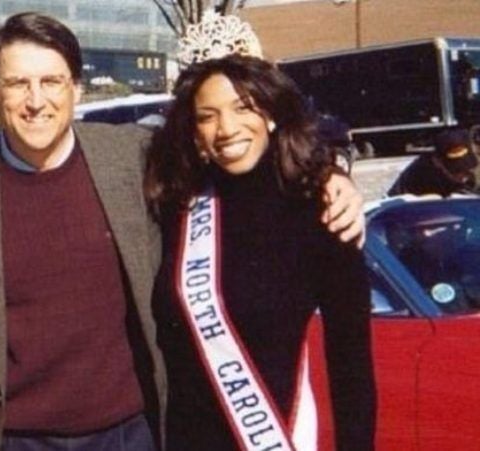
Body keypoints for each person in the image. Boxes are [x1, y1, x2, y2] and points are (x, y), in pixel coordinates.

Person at [0, 12, 367, 450]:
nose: (36, 101)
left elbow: (238, 165)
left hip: (133, 431)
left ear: (76, 90)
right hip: (15, 435)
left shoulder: (137, 159)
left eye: (52, 82)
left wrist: (331, 178)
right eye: (17, 84)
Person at [144, 15, 376, 450]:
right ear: (193, 129)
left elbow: (351, 367)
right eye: (207, 116)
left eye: (243, 107)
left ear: (269, 110)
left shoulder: (320, 210)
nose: (227, 129)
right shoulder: (177, 204)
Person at [387, 128, 479, 197]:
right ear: (437, 162)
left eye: (467, 170)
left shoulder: (476, 168)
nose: (463, 177)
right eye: (456, 171)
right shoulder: (418, 176)